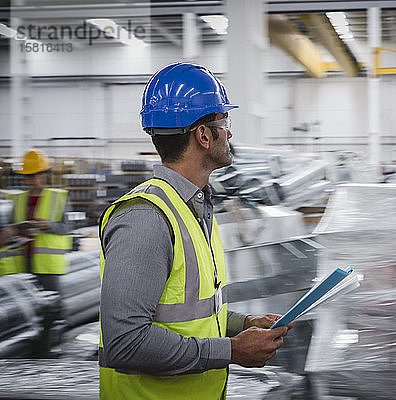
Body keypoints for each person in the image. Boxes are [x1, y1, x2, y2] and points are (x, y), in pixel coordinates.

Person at [99, 63, 293, 400]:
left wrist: (244, 325)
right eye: (224, 123)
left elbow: (189, 314)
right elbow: (125, 343)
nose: (229, 133)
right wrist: (232, 351)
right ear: (203, 135)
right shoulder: (147, 219)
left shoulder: (194, 206)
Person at [3, 149, 72, 355]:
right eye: (27, 176)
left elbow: (65, 228)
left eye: (34, 175)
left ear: (44, 174)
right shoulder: (17, 200)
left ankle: (53, 347)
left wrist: (47, 225)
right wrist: (16, 231)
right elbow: (11, 232)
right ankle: (35, 347)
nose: (31, 180)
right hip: (23, 263)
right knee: (28, 309)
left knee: (52, 307)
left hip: (48, 265)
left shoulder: (58, 197)